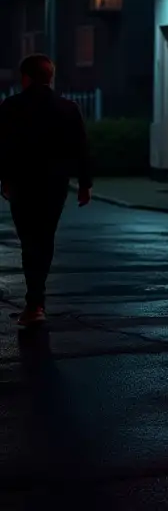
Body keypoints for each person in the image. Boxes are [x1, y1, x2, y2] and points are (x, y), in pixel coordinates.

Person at [0, 54, 93, 328]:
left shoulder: (12, 107)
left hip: (23, 182)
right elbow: (81, 148)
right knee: (44, 237)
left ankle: (34, 302)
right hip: (55, 184)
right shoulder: (68, 108)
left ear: (25, 77)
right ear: (49, 77)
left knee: (29, 241)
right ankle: (36, 301)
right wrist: (85, 183)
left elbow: (3, 147)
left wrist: (4, 179)